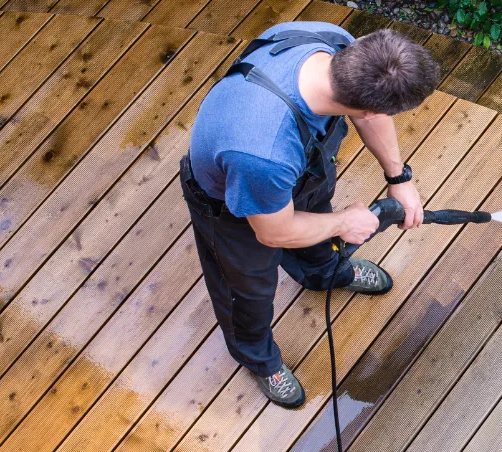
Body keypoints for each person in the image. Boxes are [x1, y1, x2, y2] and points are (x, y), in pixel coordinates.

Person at [178, 21, 440, 408]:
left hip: (300, 174)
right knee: (247, 292)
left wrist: (398, 177)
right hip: (234, 209)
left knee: (320, 233)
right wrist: (344, 223)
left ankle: (324, 274)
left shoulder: (336, 45)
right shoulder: (263, 151)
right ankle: (258, 358)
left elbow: (367, 116)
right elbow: (274, 232)